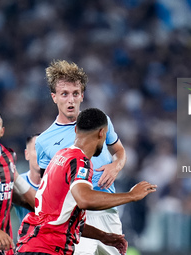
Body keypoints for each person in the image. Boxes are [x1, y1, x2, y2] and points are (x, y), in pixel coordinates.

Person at [16, 108, 157, 255]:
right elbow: (85, 199)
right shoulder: (79, 161)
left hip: (33, 243)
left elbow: (65, 218)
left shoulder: (60, 156)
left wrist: (104, 237)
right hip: (47, 249)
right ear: (102, 133)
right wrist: (131, 196)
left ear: (75, 129)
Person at [35, 60, 127, 254]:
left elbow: (120, 151)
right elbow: (47, 188)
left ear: (82, 96)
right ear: (54, 97)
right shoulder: (44, 141)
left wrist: (115, 166)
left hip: (108, 211)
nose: (71, 100)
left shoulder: (101, 121)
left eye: (75, 94)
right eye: (64, 94)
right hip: (77, 217)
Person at [0, 106, 36, 254]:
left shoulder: (9, 157)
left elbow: (20, 192)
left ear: (2, 131)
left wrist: (45, 209)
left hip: (3, 246)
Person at [14, 134, 41, 223]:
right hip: (25, 236)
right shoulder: (15, 184)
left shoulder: (60, 184)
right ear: (27, 154)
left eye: (45, 150)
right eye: (37, 149)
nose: (41, 154)